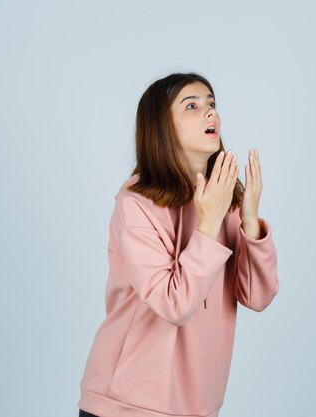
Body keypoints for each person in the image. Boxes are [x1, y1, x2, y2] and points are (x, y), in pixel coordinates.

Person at [77, 72, 279, 417]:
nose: (210, 112)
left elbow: (257, 297)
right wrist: (210, 221)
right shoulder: (136, 202)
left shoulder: (222, 196)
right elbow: (174, 304)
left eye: (212, 103)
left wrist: (248, 221)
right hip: (127, 403)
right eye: (192, 105)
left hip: (195, 405)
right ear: (162, 127)